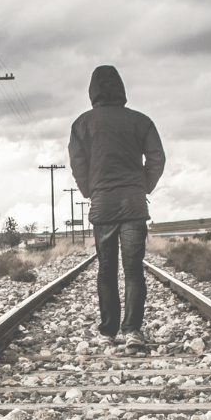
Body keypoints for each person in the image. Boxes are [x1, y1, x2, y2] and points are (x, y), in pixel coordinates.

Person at [68, 65, 166, 352]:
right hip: (134, 204)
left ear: (92, 91)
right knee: (134, 271)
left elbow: (78, 163)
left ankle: (108, 332)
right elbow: (157, 158)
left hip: (103, 205)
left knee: (106, 271)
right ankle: (133, 331)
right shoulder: (141, 121)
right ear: (121, 89)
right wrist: (143, 186)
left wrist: (90, 189)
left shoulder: (82, 124)